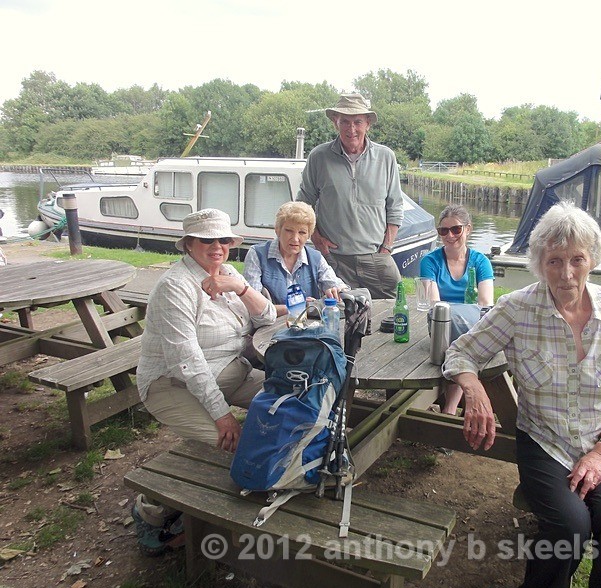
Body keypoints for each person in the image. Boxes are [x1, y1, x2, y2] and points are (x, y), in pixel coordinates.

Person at [443, 201, 601, 588]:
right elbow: (460, 352)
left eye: (577, 259)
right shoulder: (518, 308)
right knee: (569, 526)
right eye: (554, 261)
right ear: (539, 262)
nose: (566, 274)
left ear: (593, 259)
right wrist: (474, 389)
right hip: (545, 442)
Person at [133, 208, 276, 556]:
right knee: (235, 446)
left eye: (223, 239)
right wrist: (222, 415)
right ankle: (151, 509)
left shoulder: (227, 272)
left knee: (287, 404)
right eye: (207, 239)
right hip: (171, 385)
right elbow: (188, 361)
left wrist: (240, 286)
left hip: (231, 370)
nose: (217, 246)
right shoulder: (175, 287)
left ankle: (217, 504)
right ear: (189, 245)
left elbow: (268, 316)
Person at [297, 92, 403, 299]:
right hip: (335, 258)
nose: (351, 128)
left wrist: (387, 248)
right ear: (336, 122)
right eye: (344, 121)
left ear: (368, 124)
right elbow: (303, 205)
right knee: (339, 315)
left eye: (357, 121)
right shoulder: (319, 157)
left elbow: (395, 206)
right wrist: (318, 240)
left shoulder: (386, 157)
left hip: (376, 257)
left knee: (395, 311)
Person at [419, 204, 494, 414]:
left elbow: (485, 303)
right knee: (456, 340)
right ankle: (452, 409)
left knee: (459, 343)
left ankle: (450, 408)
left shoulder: (481, 262)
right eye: (443, 231)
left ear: (468, 229)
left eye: (456, 229)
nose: (449, 235)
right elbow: (435, 304)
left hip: (472, 327)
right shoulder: (430, 261)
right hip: (442, 325)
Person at [243, 201, 348, 316]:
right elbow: (252, 304)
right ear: (277, 230)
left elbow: (337, 285)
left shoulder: (315, 258)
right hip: (268, 328)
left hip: (309, 327)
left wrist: (336, 290)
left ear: (309, 235)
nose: (295, 239)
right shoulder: (257, 254)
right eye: (289, 231)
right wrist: (301, 307)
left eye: (302, 232)